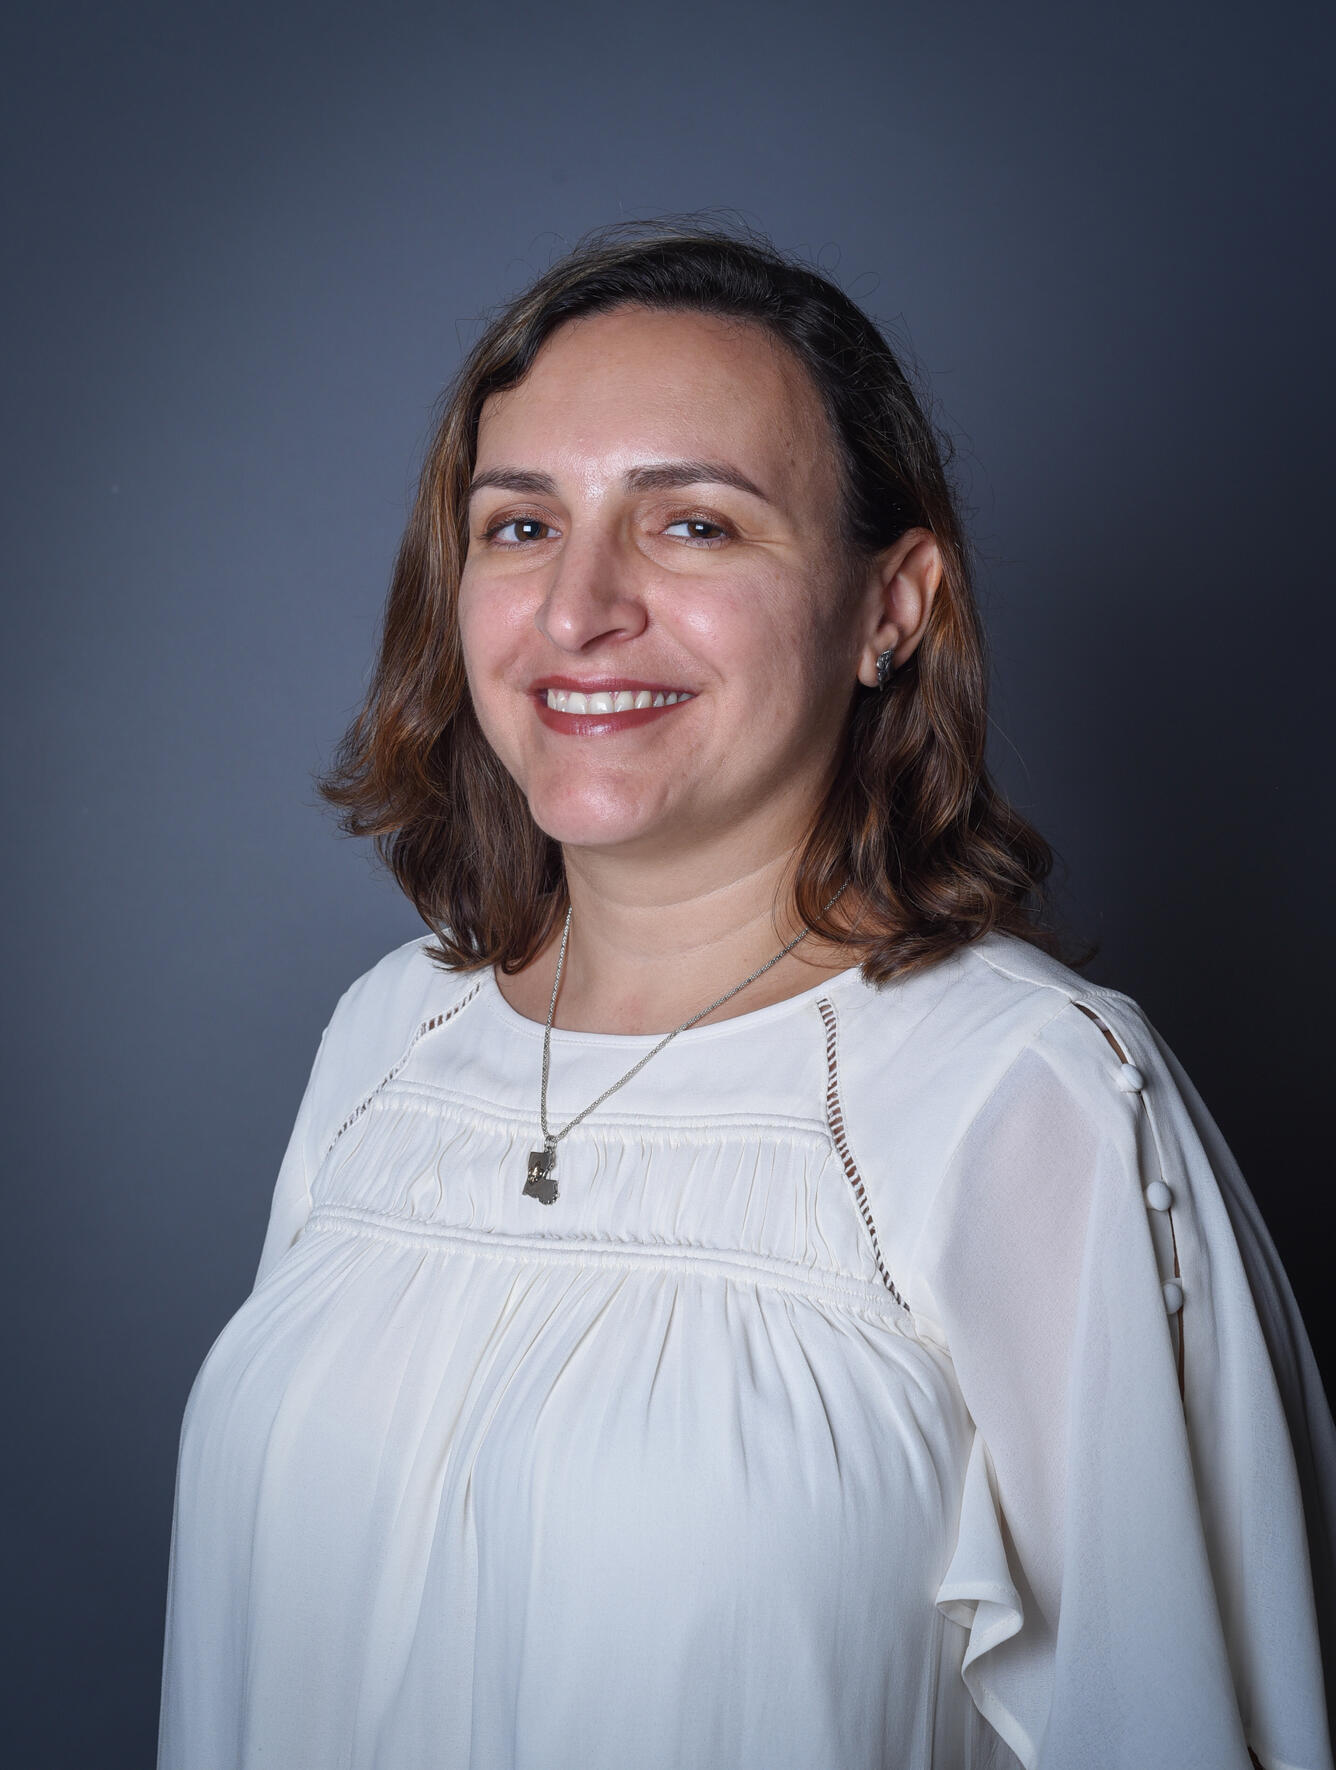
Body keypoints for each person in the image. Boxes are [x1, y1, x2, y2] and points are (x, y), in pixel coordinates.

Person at [156, 219, 1336, 1770]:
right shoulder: (392, 1037)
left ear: (890, 606)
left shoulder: (1031, 1096)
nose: (578, 610)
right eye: (520, 527)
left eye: (692, 525)